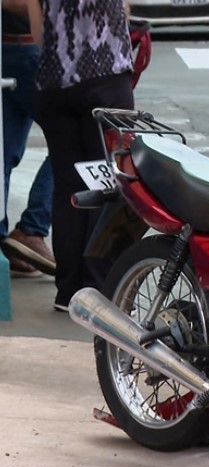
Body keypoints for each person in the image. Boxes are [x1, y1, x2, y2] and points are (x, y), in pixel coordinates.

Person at [24, 0, 135, 311]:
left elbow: (37, 33)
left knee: (69, 190)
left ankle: (69, 291)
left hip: (54, 84)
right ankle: (101, 288)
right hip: (106, 78)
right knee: (113, 186)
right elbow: (123, 12)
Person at [0, 0, 55, 278]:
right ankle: (32, 228)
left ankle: (19, 235)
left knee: (4, 149)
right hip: (26, 49)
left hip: (21, 47)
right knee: (72, 140)